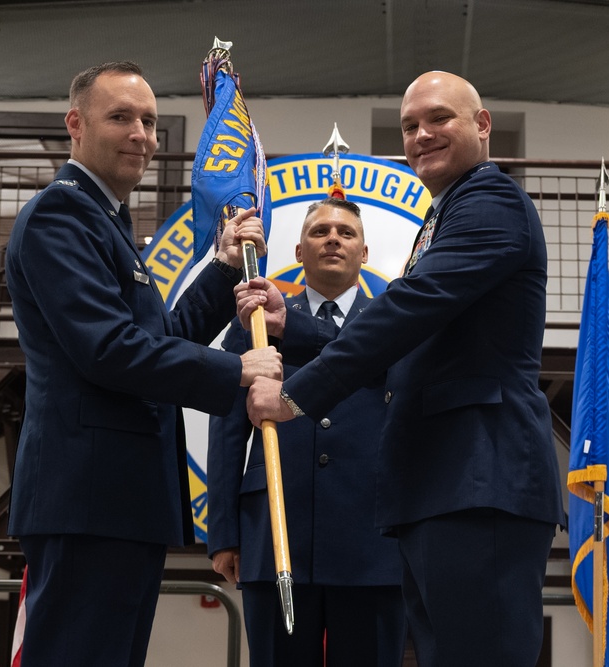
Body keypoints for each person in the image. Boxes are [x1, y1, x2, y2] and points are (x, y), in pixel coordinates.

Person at [242, 71, 567, 666]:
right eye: (410, 126)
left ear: (483, 125)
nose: (421, 134)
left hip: (478, 478)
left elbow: (406, 310)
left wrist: (297, 395)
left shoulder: (490, 202)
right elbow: (401, 350)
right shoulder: (443, 216)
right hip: (441, 484)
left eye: (439, 118)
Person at [4, 61, 281, 667]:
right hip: (87, 498)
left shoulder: (108, 222)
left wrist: (225, 267)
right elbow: (108, 350)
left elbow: (160, 335)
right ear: (76, 124)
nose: (142, 135)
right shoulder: (61, 216)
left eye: (151, 122)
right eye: (122, 117)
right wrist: (235, 372)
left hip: (119, 498)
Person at [208, 198, 406, 667]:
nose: (333, 239)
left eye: (346, 233)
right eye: (320, 232)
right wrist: (224, 534)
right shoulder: (256, 319)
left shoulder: (394, 323)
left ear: (364, 253)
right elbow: (228, 430)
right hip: (275, 532)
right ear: (298, 251)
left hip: (372, 541)